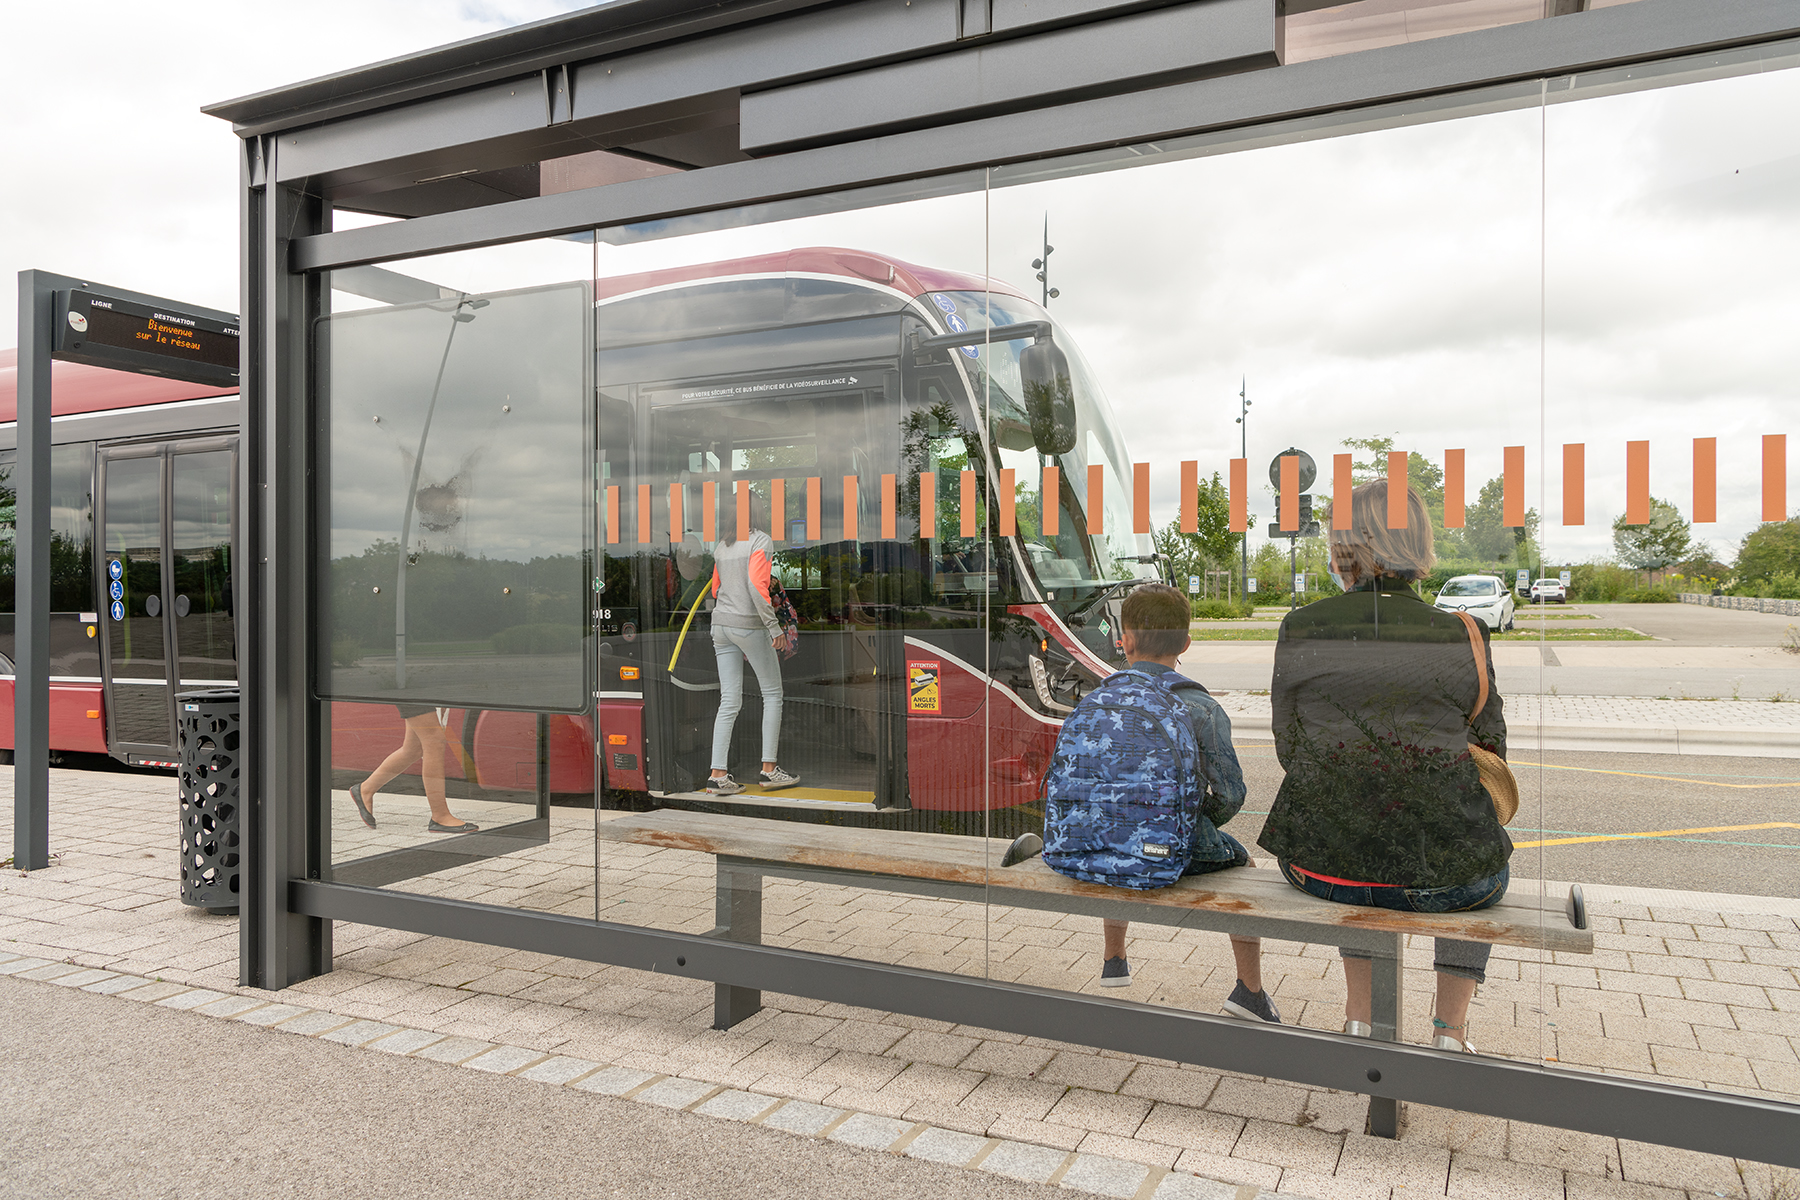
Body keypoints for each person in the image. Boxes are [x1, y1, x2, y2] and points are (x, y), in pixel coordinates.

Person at [1258, 478, 1510, 1053]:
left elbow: (1290, 746)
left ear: (1343, 546)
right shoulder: (1463, 633)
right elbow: (1490, 744)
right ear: (1415, 543)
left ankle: (1360, 1018)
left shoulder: (1302, 626)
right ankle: (1450, 1031)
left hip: (1322, 870)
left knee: (1356, 831)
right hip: (1452, 882)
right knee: (1479, 849)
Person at [1084, 584, 1278, 1024]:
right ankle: (1249, 991)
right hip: (1174, 849)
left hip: (1101, 842)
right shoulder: (1201, 706)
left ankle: (1114, 960)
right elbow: (1231, 794)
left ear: (1125, 640)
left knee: (1121, 837)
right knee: (1243, 865)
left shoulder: (1100, 697)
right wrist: (1182, 821)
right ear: (1187, 644)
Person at [705, 494, 799, 795]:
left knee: (729, 700)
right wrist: (775, 628)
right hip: (748, 625)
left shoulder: (722, 546)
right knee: (772, 694)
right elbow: (758, 586)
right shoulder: (760, 541)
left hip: (720, 627)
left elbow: (716, 588)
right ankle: (769, 770)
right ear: (758, 511)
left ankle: (718, 775)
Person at [349, 705, 479, 833]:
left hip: (420, 687)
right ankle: (440, 816)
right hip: (411, 687)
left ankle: (365, 789)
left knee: (413, 749)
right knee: (434, 740)